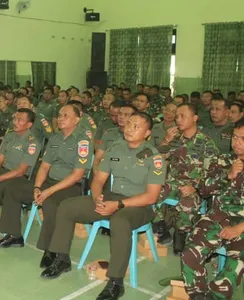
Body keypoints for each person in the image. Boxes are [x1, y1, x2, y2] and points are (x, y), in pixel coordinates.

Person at [42, 112, 166, 300]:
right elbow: (99, 179)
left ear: (148, 132)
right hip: (110, 198)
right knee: (67, 207)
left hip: (138, 206)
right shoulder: (114, 148)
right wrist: (97, 196)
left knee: (120, 221)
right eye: (129, 123)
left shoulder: (155, 158)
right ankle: (62, 259)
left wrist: (118, 204)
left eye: (136, 126)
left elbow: (151, 197)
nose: (130, 128)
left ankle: (116, 282)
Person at [0, 104, 93, 249]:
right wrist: (37, 187)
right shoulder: (55, 138)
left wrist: (48, 191)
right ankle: (14, 235)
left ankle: (50, 249)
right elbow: (44, 166)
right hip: (49, 182)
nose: (60, 118)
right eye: (59, 115)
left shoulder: (82, 140)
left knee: (50, 201)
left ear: (77, 120)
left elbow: (77, 174)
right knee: (13, 189)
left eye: (65, 115)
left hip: (71, 186)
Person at [182, 119, 244, 300]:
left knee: (237, 261)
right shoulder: (223, 160)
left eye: (243, 138)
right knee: (189, 254)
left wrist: (238, 229)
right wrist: (229, 175)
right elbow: (204, 190)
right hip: (218, 216)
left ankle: (215, 296)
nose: (237, 142)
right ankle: (199, 295)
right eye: (235, 137)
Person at [154, 103, 218, 251]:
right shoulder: (175, 139)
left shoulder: (206, 142)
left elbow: (213, 172)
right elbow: (158, 159)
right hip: (172, 181)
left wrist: (196, 187)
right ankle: (161, 228)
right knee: (152, 193)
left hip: (194, 185)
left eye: (183, 116)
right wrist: (166, 140)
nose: (178, 120)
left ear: (195, 118)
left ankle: (180, 233)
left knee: (188, 202)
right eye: (177, 116)